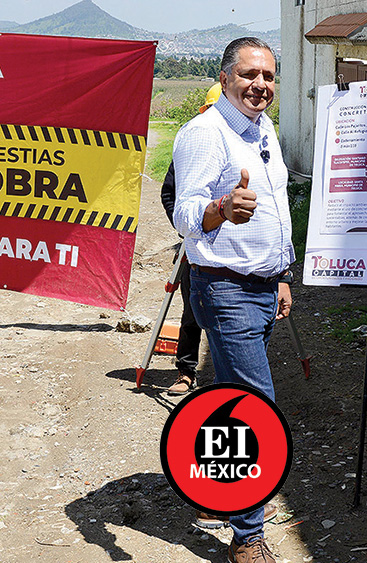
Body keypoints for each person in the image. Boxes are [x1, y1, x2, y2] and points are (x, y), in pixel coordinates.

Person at [172, 37, 292, 563]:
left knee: (231, 400)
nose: (259, 85)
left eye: (268, 76)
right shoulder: (203, 133)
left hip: (263, 286)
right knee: (254, 406)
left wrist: (282, 274)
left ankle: (219, 492)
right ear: (224, 79)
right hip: (224, 288)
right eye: (248, 75)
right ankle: (248, 537)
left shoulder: (265, 131)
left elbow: (278, 211)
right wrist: (221, 208)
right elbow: (184, 214)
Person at [159, 83, 222, 396]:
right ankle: (186, 372)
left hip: (232, 247)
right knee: (191, 310)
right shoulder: (192, 147)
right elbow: (168, 192)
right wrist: (184, 226)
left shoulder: (240, 147)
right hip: (194, 243)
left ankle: (230, 375)